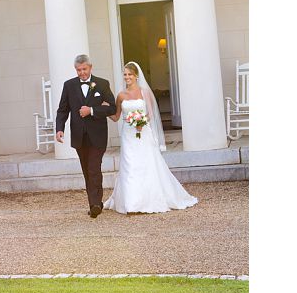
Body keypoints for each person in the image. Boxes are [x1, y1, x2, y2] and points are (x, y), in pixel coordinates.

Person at [103, 61, 198, 214]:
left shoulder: (144, 92)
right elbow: (116, 117)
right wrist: (104, 109)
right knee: (129, 165)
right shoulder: (121, 95)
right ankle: (131, 204)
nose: (127, 77)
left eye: (130, 74)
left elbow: (151, 113)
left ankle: (148, 199)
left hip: (143, 132)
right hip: (128, 135)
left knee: (147, 163)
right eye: (125, 74)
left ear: (136, 76)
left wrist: (141, 122)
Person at [55, 54, 117, 218]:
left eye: (84, 69)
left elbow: (112, 108)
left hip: (98, 135)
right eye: (78, 70)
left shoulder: (102, 84)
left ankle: (96, 204)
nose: (82, 72)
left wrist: (92, 110)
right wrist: (59, 128)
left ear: (90, 67)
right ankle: (95, 202)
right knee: (87, 170)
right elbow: (63, 109)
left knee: (93, 168)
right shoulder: (69, 85)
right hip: (79, 136)